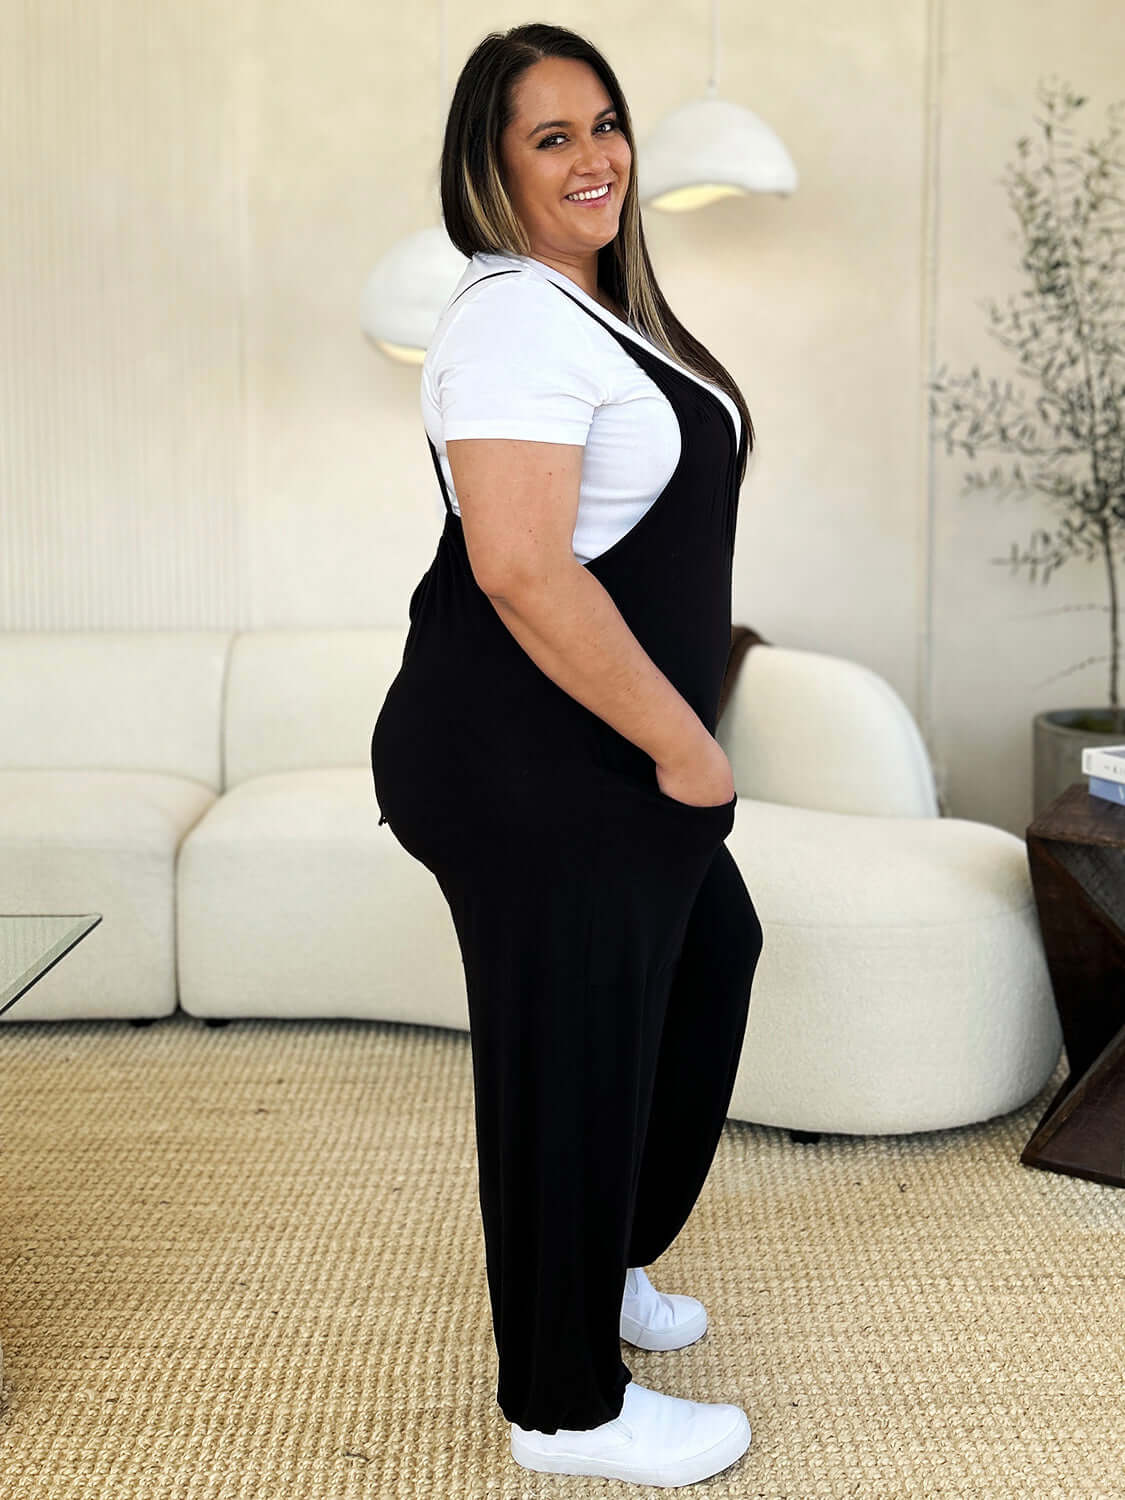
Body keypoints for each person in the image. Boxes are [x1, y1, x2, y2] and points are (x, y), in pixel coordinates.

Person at [371, 20, 764, 1489]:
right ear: (491, 164)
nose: (594, 156)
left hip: (595, 748)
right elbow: (525, 573)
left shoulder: (594, 313)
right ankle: (562, 1408)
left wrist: (672, 753)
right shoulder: (512, 320)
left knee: (702, 963)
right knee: (571, 1047)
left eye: (604, 124)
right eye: (552, 135)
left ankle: (590, 1264)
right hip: (522, 753)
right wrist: (688, 753)